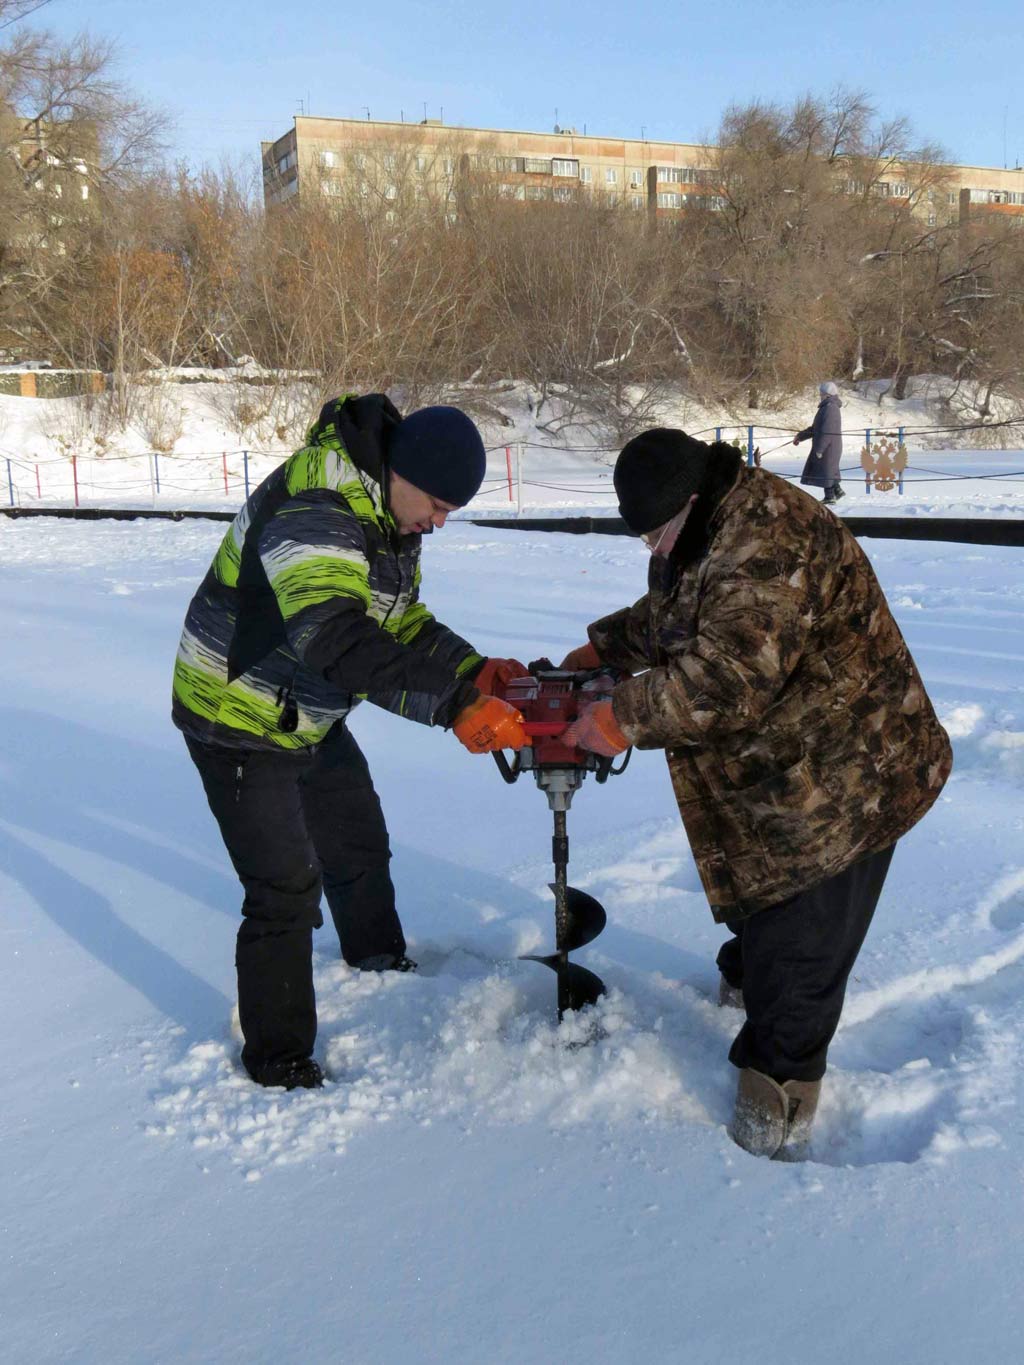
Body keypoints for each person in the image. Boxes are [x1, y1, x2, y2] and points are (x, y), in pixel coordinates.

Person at [559, 428, 952, 1158]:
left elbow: (727, 678)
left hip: (849, 780)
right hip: (785, 770)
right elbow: (686, 610)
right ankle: (750, 979)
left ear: (694, 500)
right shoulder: (708, 528)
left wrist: (619, 717)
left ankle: (771, 1129)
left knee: (799, 962)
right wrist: (606, 647)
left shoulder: (767, 541)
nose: (652, 548)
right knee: (763, 901)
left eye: (657, 532)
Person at [172, 393, 527, 1091]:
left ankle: (378, 963)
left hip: (304, 709)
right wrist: (451, 704)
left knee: (355, 835)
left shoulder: (390, 515)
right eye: (438, 504)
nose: (440, 523)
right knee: (282, 887)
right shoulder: (318, 506)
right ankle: (279, 1062)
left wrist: (470, 667)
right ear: (402, 469)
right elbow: (336, 639)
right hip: (237, 713)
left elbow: (396, 621)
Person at [795, 381, 844, 505]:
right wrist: (800, 436)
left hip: (828, 446)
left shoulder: (830, 408)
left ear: (827, 394)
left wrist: (820, 449)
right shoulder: (826, 407)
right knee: (828, 469)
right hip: (829, 445)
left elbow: (827, 430)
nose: (820, 395)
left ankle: (830, 497)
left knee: (826, 470)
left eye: (821, 393)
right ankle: (837, 491)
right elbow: (816, 428)